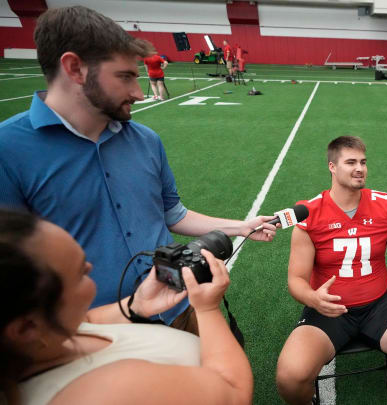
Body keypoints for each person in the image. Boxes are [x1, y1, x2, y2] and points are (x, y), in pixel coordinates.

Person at [0, 6, 277, 333]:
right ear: (75, 68)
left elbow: (172, 214)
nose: (137, 92)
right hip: (91, 332)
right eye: (125, 77)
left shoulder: (146, 140)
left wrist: (241, 226)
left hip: (177, 306)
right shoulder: (8, 150)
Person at [0, 209, 253, 405]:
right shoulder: (104, 392)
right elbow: (233, 393)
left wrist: (135, 306)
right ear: (26, 328)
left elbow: (89, 321)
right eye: (80, 274)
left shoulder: (44, 342)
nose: (90, 268)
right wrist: (207, 310)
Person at [275, 136, 387, 405]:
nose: (360, 168)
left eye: (363, 162)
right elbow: (296, 280)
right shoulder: (310, 214)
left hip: (378, 307)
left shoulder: (384, 204)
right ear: (332, 167)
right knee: (290, 377)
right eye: (351, 162)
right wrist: (313, 299)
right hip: (329, 310)